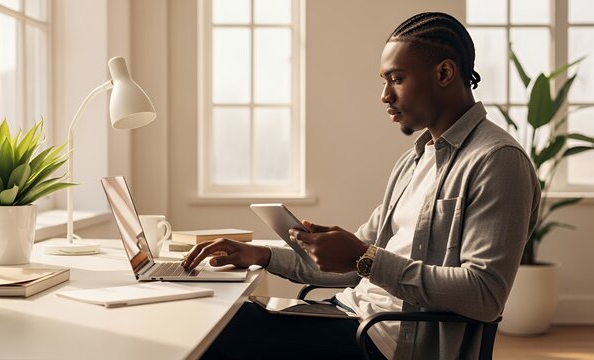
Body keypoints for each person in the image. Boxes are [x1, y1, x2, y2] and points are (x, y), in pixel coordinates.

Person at [182, 12, 540, 360]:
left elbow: (484, 294)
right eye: (384, 81)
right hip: (351, 315)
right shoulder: (413, 161)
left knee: (213, 328)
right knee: (217, 314)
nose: (385, 95)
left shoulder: (497, 160)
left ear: (445, 72)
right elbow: (354, 265)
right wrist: (263, 256)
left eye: (396, 79)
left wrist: (365, 257)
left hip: (387, 340)